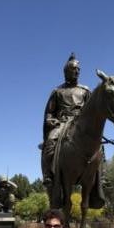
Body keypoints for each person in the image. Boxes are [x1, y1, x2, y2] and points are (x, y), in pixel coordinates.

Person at [41, 53, 91, 189]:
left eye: (78, 69)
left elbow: (92, 111)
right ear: (66, 71)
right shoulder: (58, 91)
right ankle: (48, 175)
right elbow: (49, 112)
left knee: (97, 143)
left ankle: (102, 176)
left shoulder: (85, 90)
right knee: (51, 140)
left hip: (81, 124)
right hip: (62, 123)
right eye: (74, 69)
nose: (77, 71)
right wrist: (50, 120)